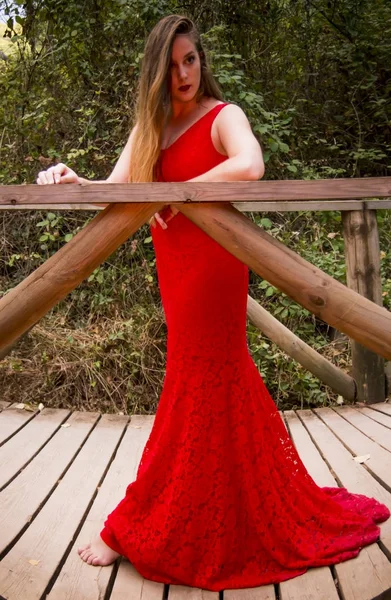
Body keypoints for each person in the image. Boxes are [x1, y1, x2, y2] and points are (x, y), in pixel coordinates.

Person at [37, 14, 390, 593]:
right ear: (156, 70)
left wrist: (180, 192)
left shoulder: (224, 116)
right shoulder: (150, 127)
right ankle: (215, 501)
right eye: (172, 64)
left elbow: (251, 166)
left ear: (203, 61)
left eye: (191, 60)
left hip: (216, 266)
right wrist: (69, 179)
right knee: (199, 378)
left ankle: (148, 517)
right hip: (175, 269)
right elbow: (115, 187)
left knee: (203, 377)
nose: (183, 74)